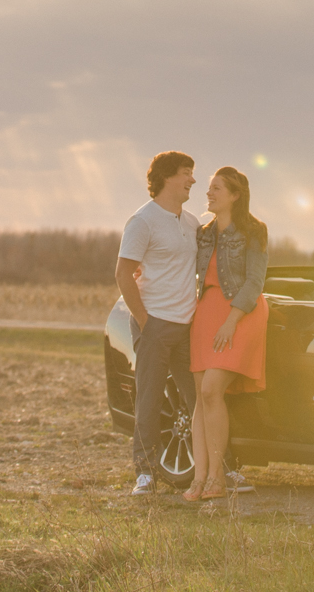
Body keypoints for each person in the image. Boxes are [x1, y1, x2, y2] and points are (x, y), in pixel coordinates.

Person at [115, 151, 200, 496]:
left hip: (187, 325)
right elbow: (123, 274)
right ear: (167, 177)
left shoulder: (192, 222)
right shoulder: (143, 221)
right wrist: (145, 322)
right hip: (155, 325)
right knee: (149, 399)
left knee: (199, 399)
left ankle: (215, 469)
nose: (192, 180)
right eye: (186, 173)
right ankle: (146, 474)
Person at [183, 166, 269, 501]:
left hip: (240, 313)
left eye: (216, 188)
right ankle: (199, 478)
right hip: (206, 313)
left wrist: (232, 321)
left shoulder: (254, 231)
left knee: (211, 389)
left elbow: (255, 281)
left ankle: (217, 478)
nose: (209, 193)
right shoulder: (203, 233)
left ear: (234, 195)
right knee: (201, 399)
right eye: (209, 187)